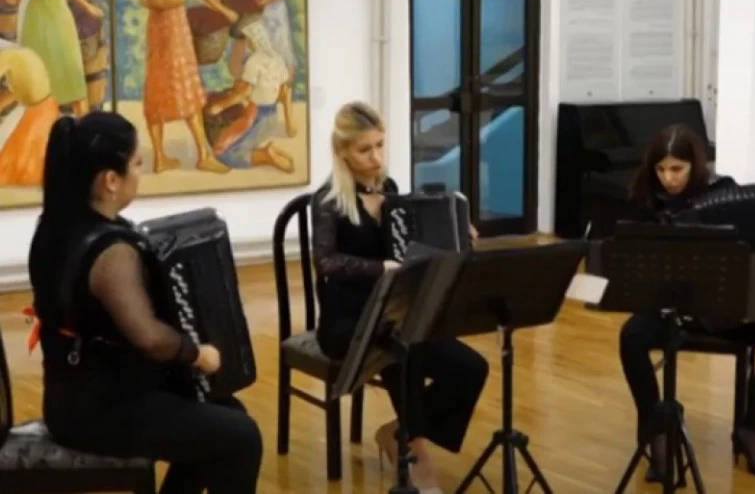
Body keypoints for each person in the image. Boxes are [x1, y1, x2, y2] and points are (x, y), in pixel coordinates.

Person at [27, 111, 262, 493]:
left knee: (225, 416)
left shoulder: (56, 226)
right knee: (241, 437)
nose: (142, 172)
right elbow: (148, 337)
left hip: (73, 397)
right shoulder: (112, 252)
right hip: (101, 409)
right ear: (110, 180)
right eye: (137, 163)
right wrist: (197, 353)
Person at [310, 101, 489, 493]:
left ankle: (399, 432)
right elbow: (324, 261)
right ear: (342, 151)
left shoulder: (388, 190)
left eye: (380, 145)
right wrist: (381, 268)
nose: (376, 157)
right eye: (365, 149)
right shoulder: (327, 201)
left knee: (470, 368)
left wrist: (457, 231)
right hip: (347, 322)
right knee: (403, 352)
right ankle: (415, 454)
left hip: (393, 312)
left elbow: (413, 241)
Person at [619, 123, 755, 481]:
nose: (668, 178)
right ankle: (657, 434)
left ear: (694, 165)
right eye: (661, 169)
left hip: (726, 308)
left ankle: (752, 427)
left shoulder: (724, 193)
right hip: (668, 306)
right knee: (631, 337)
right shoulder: (644, 201)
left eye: (677, 169)